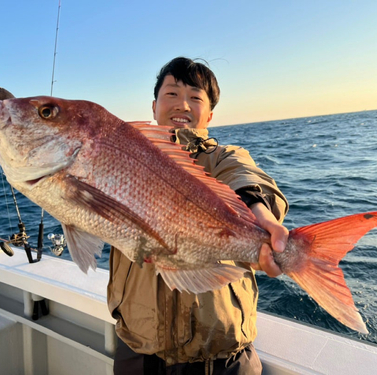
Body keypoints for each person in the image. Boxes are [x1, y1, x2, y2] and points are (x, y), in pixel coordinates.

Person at [108, 57, 289, 374]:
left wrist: (259, 214)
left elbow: (248, 180)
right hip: (137, 353)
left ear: (210, 113)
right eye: (172, 94)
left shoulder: (223, 158)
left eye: (195, 97)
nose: (182, 105)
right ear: (154, 107)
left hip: (223, 360)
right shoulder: (123, 157)